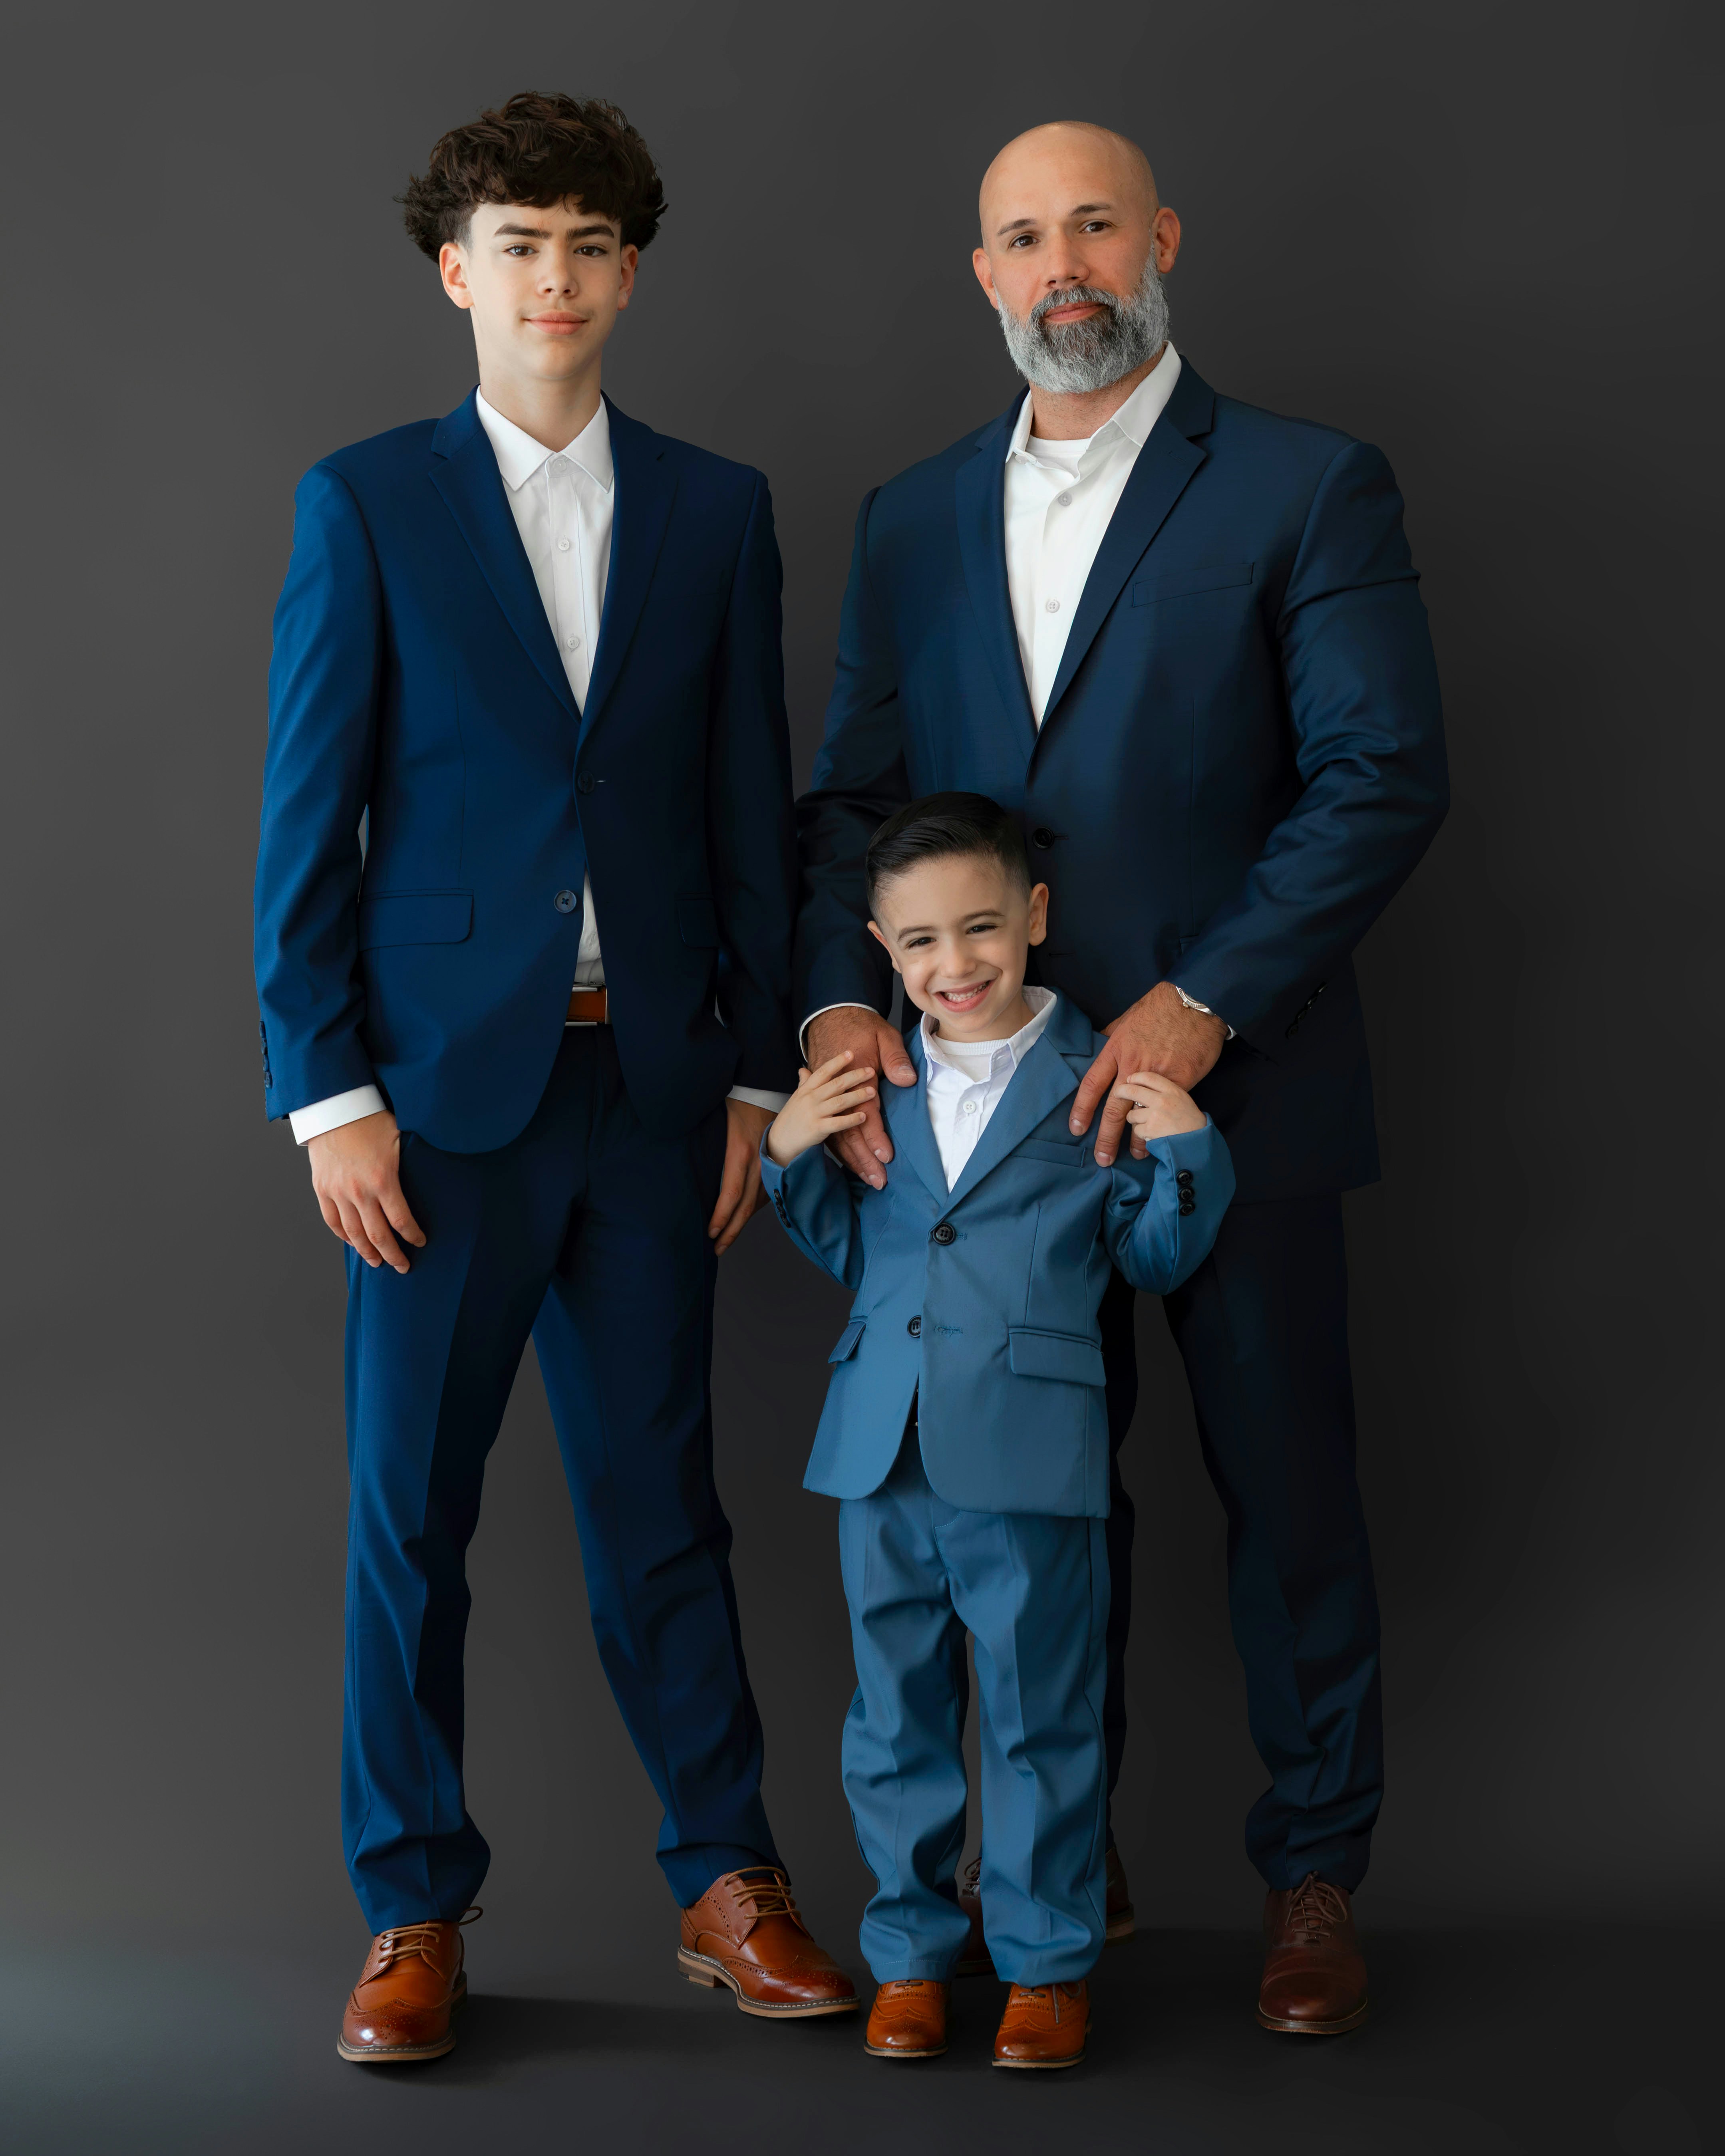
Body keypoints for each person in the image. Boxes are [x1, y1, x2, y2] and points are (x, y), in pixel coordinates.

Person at [793, 121, 1448, 2034]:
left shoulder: (1309, 483)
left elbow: (1381, 775)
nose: (1061, 263)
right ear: (983, 274)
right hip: (974, 1136)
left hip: (1230, 1096)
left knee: (1288, 1503)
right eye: (1022, 236)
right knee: (1030, 1522)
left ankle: (1314, 1875)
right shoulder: (911, 516)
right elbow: (849, 805)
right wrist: (838, 1022)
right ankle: (1059, 1883)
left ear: (1161, 239)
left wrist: (1202, 1004)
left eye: (1093, 224)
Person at [253, 91, 855, 2064]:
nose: (557, 279)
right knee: (409, 1522)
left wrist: (754, 1080)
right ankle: (411, 1905)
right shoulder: (366, 503)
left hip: (654, 1096)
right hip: (436, 1109)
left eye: (591, 245)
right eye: (520, 245)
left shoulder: (715, 508)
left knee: (662, 1505)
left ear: (630, 273)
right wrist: (330, 1095)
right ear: (458, 272)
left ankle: (727, 1878)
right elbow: (307, 823)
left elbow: (748, 811)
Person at [763, 794, 1235, 2069]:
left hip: (1029, 1450)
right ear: (881, 947)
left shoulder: (1096, 1073)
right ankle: (910, 1958)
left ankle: (1045, 1966)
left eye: (980, 928)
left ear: (1035, 916)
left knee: (1040, 1719)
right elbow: (858, 1251)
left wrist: (1192, 1157)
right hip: (882, 1451)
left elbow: (1150, 1257)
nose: (954, 964)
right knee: (894, 1720)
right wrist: (790, 1157)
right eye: (919, 942)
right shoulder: (874, 1079)